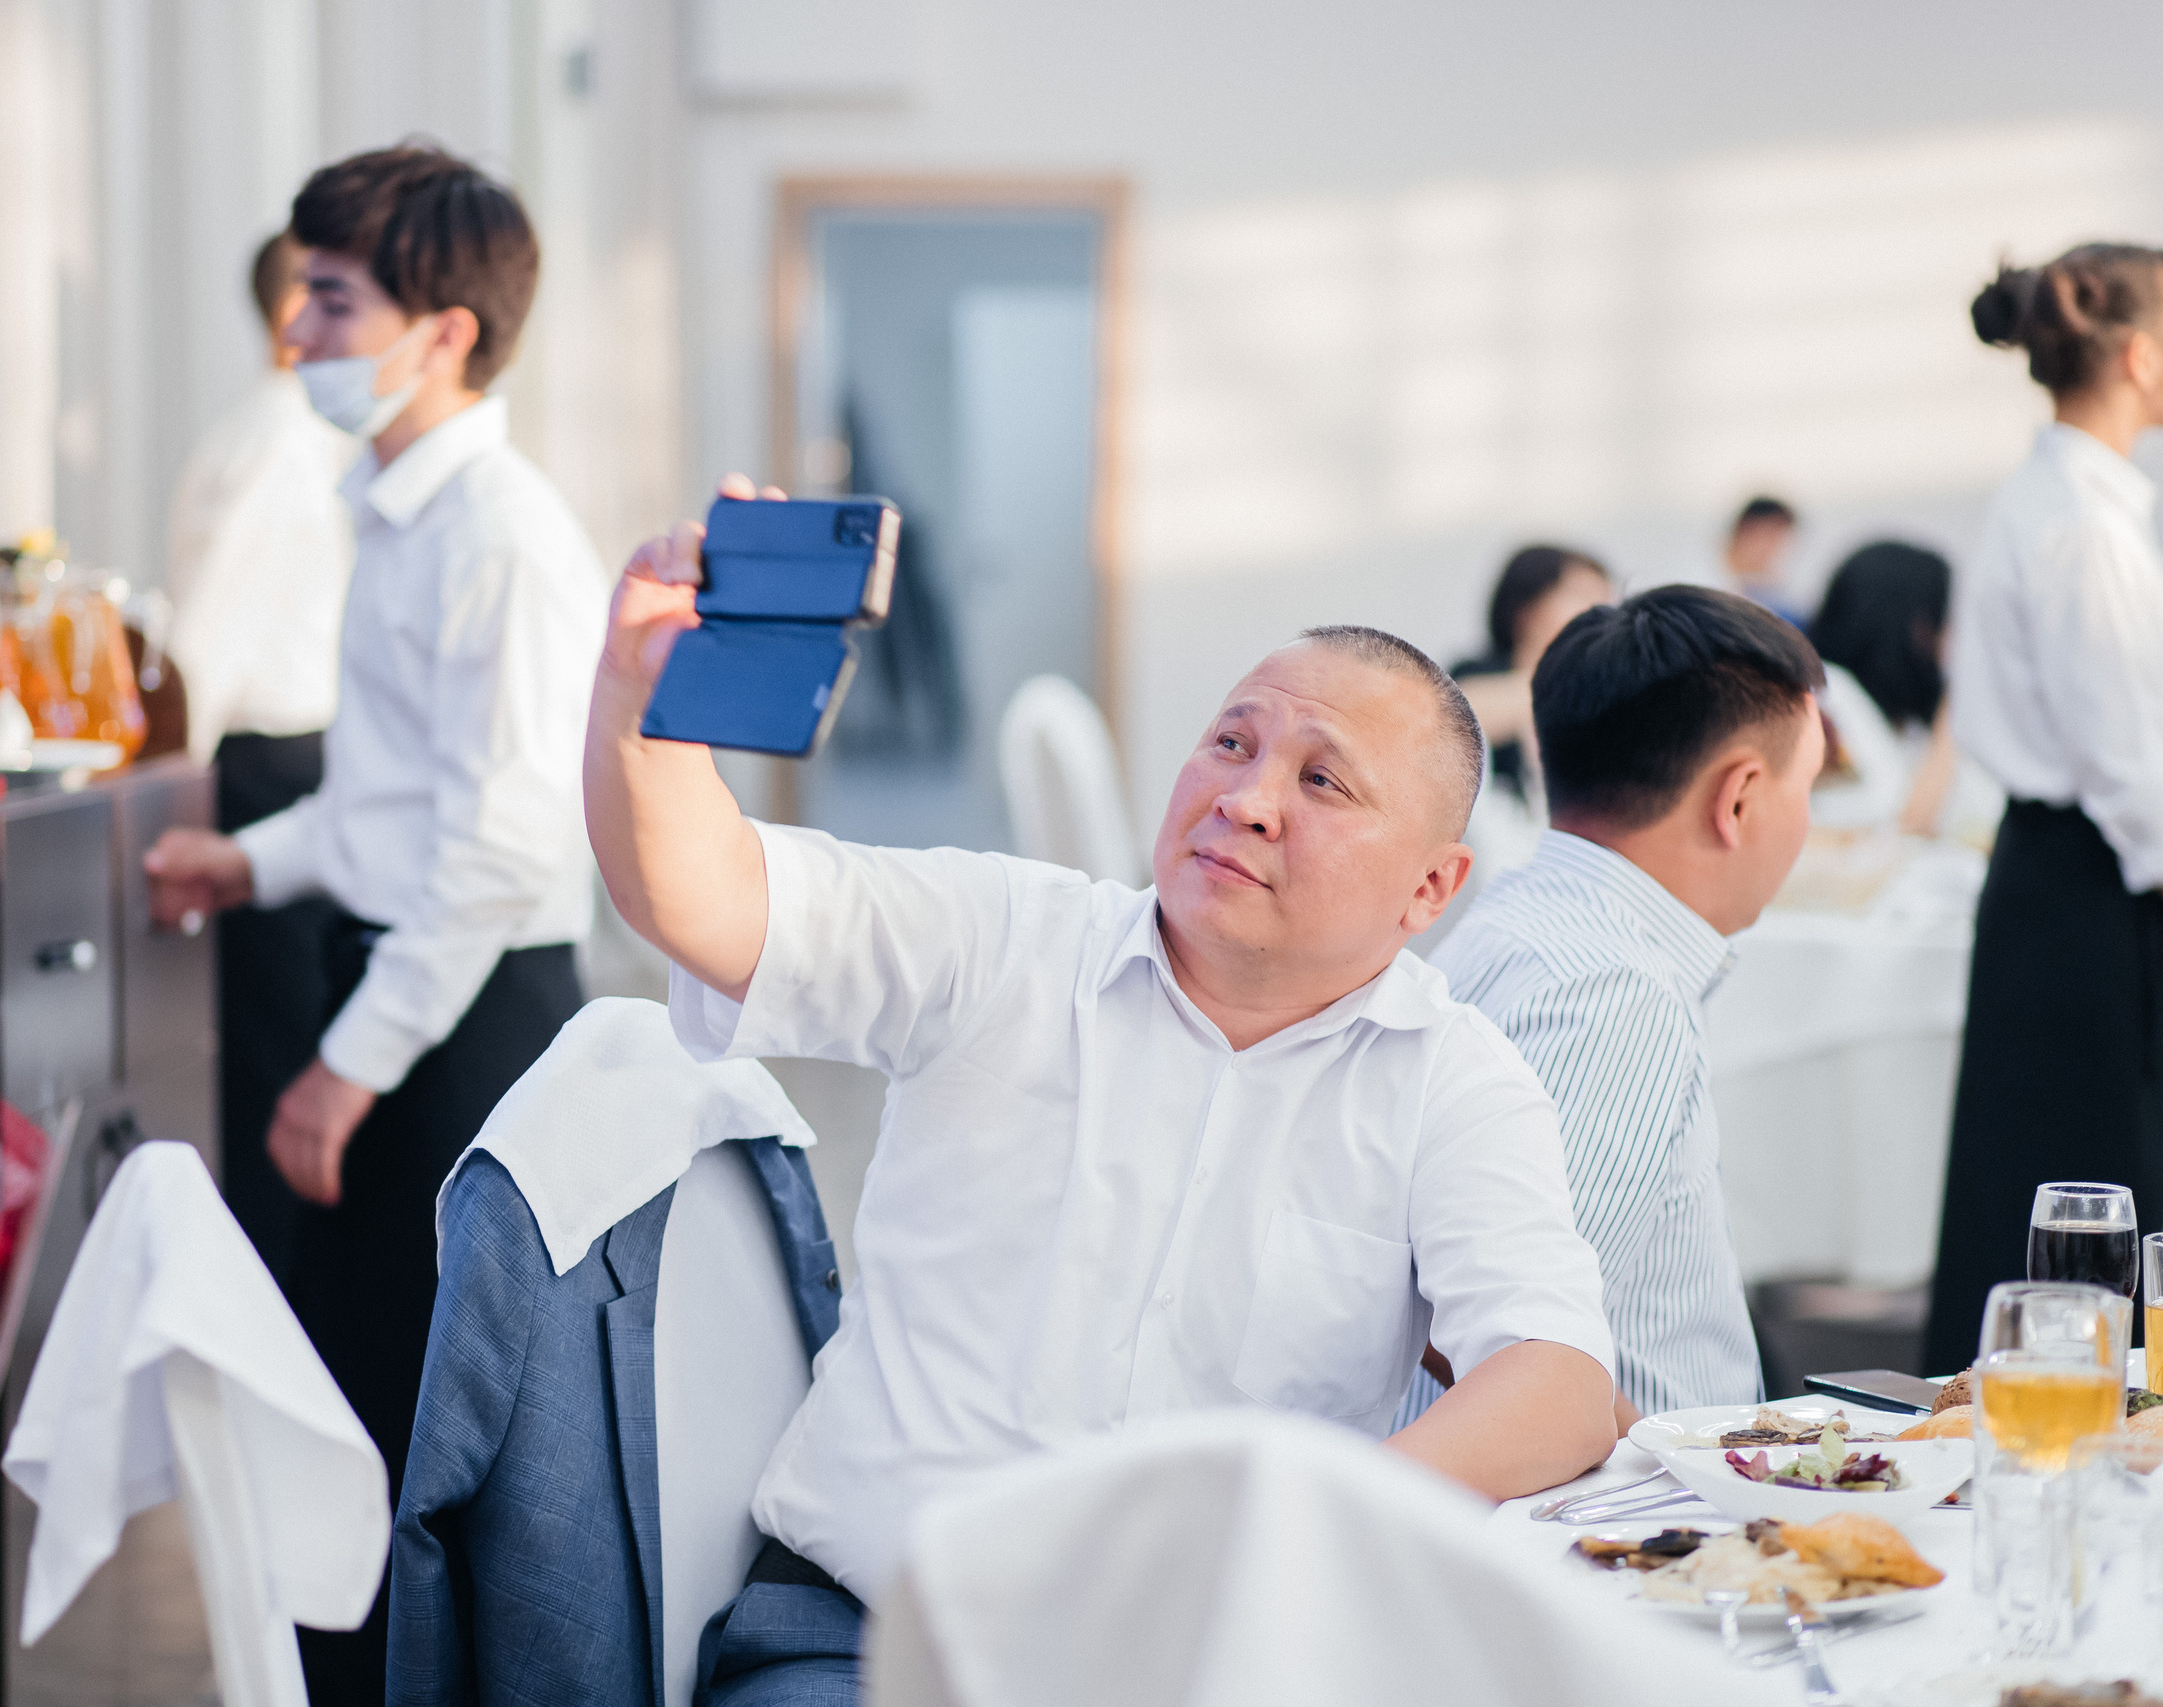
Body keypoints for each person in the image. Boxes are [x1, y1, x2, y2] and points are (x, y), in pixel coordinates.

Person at [589, 479, 1620, 1703]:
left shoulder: (1450, 1077)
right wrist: (638, 702)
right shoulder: (1004, 940)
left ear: (1429, 890)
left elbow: (1558, 1379)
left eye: (1322, 783)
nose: (1244, 797)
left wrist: (1310, 1530)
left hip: (1215, 1665)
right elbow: (701, 900)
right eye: (1230, 742)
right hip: (874, 1635)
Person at [141, 146, 608, 1702]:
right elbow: (385, 796)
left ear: (446, 331)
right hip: (410, 975)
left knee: (437, 1425)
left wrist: (347, 1062)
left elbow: (494, 846)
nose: (306, 333)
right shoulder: (392, 506)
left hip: (477, 1008)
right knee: (357, 1393)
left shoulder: (506, 536)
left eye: (335, 300)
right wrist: (251, 866)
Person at [1411, 587, 1825, 1429]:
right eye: (1807, 786)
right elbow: (1504, 1350)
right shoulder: (1611, 996)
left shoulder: (1520, 918)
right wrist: (1729, 1498)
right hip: (1628, 1524)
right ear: (1739, 798)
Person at [1922, 244, 2163, 1376]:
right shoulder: (2083, 521)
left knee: (2048, 1167)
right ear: (2140, 356)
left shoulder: (2068, 498)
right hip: (2092, 880)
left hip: (2061, 874)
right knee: (2084, 1176)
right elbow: (2133, 769)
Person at [162, 231, 357, 1286]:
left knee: (275, 1052)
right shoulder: (284, 438)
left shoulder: (276, 430)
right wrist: (171, 777)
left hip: (277, 765)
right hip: (267, 769)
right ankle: (282, 1315)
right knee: (277, 1063)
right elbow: (211, 637)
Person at [1807, 541, 2000, 841]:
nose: (1946, 638)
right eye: (1937, 621)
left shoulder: (1902, 715)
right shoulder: (1826, 694)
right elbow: (1906, 821)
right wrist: (1956, 701)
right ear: (1909, 626)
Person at [1448, 545, 1617, 806]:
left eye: (1607, 602)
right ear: (1526, 607)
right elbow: (1453, 723)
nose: (1602, 616)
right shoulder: (1472, 674)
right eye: (1582, 597)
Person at [1720, 494, 1809, 628]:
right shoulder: (1725, 603)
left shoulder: (1790, 603)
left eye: (1778, 536)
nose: (1772, 546)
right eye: (1760, 535)